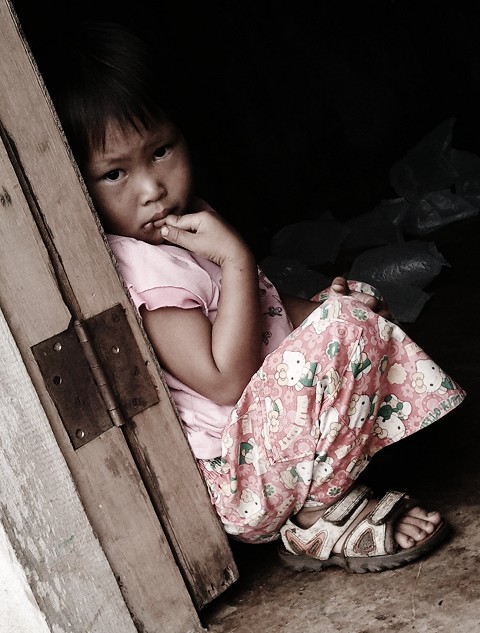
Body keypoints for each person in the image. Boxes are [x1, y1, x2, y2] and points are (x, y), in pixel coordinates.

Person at [38, 21, 466, 573]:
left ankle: (326, 484)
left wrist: (327, 313)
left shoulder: (187, 225)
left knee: (350, 309)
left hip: (266, 446)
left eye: (161, 151)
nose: (152, 188)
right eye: (114, 173)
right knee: (343, 333)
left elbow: (267, 311)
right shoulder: (140, 268)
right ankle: (315, 518)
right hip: (239, 481)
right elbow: (224, 380)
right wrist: (236, 259)